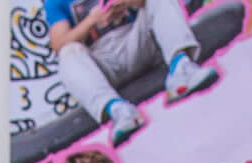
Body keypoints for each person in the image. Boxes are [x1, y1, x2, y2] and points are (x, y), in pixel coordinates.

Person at [46, 0, 218, 148]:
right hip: (103, 64)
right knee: (68, 53)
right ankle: (117, 111)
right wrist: (92, 20)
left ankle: (182, 68)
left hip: (137, 42)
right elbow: (58, 43)